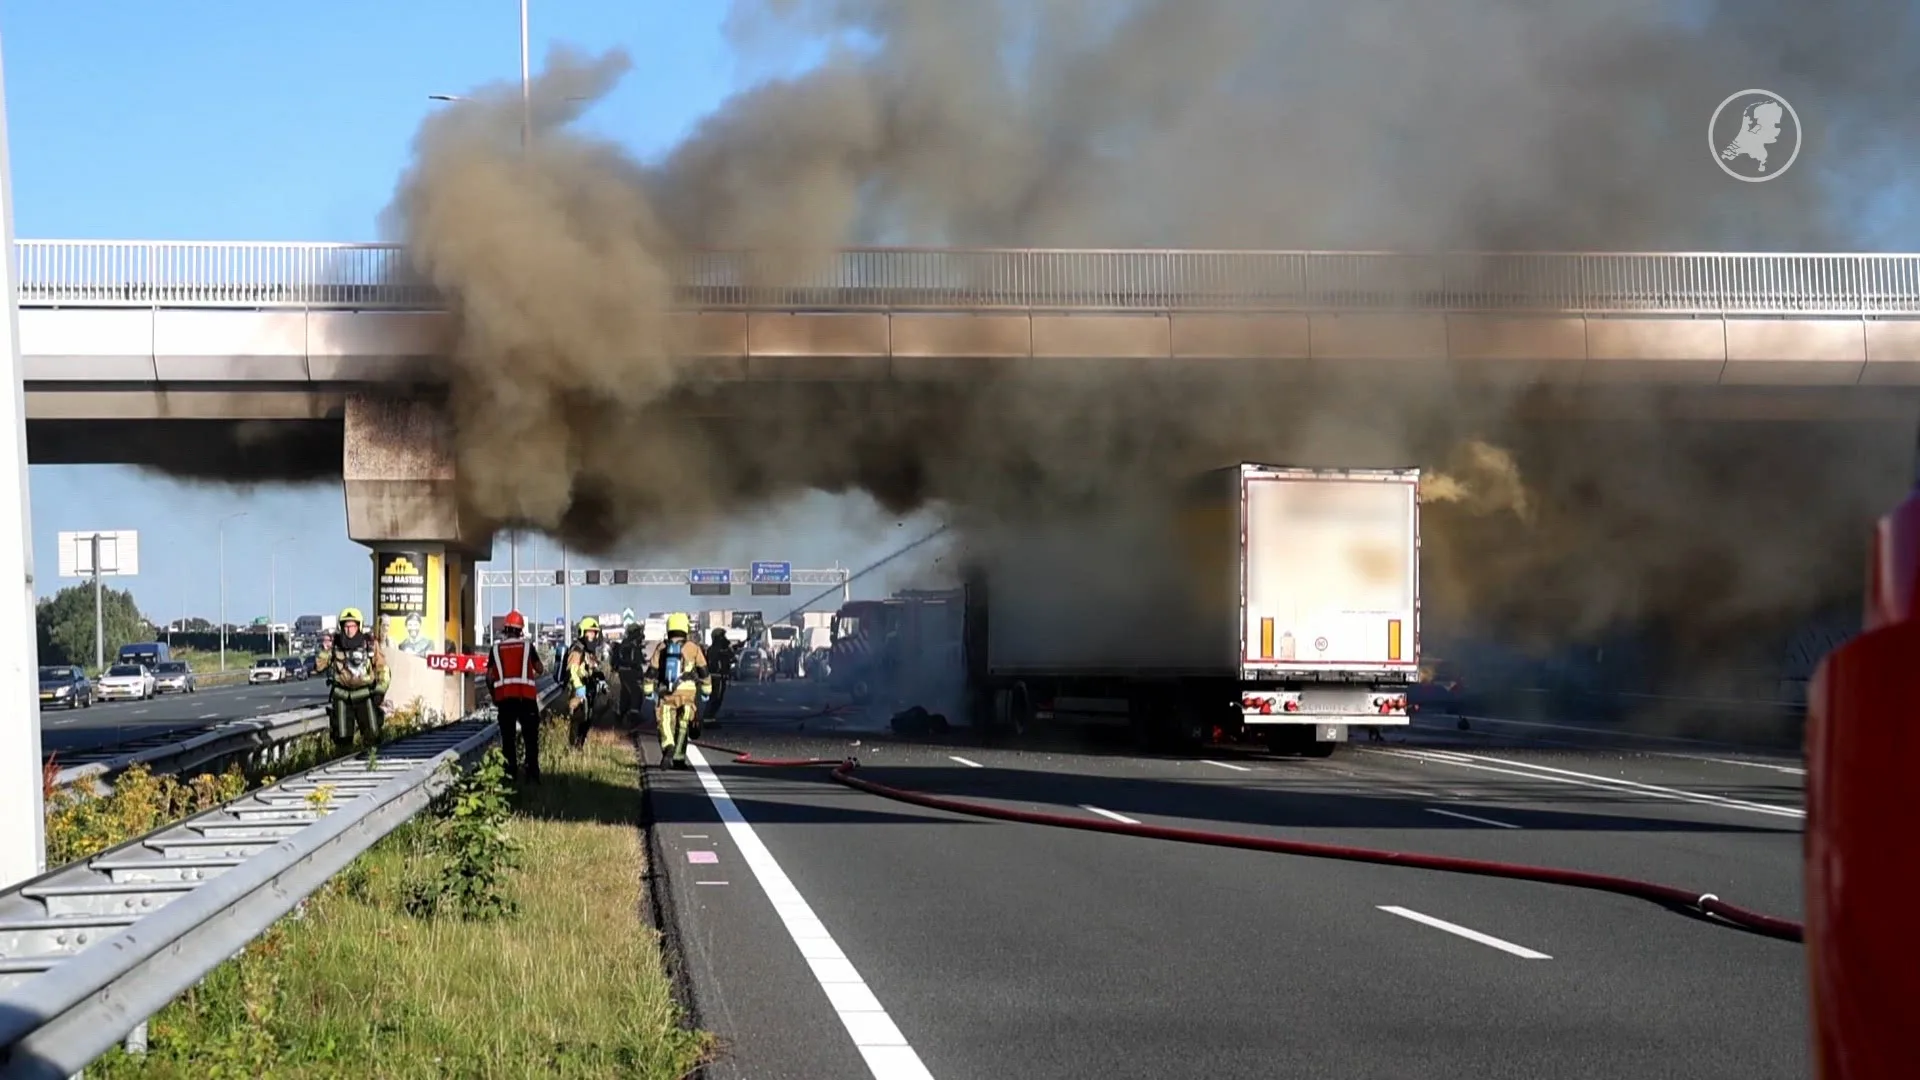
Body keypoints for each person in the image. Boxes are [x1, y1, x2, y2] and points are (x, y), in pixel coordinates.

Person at [314, 606, 389, 750]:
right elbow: (319, 667)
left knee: (372, 735)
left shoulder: (370, 644)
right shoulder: (335, 645)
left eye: (352, 625)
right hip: (342, 697)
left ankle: (372, 763)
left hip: (365, 695)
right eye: (346, 626)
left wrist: (380, 691)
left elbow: (383, 670)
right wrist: (325, 650)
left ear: (358, 626)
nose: (349, 629)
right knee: (342, 739)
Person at [643, 612, 711, 769]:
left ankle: (668, 746)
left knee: (665, 720)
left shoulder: (661, 647)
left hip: (668, 693)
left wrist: (648, 690)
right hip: (688, 693)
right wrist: (706, 691)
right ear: (685, 629)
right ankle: (679, 758)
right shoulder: (693, 648)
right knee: (683, 724)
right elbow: (703, 671)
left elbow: (652, 671)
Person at [486, 609, 546, 783]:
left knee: (508, 739)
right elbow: (540, 669)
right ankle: (532, 775)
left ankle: (510, 775)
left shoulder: (495, 649)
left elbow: (490, 677)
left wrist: (495, 696)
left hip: (505, 701)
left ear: (505, 629)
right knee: (531, 739)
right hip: (526, 699)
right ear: (521, 630)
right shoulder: (527, 646)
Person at [563, 616, 606, 749]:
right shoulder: (577, 649)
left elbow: (592, 668)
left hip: (588, 688)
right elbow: (572, 671)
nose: (592, 635)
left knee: (587, 719)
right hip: (577, 690)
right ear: (582, 632)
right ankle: (573, 747)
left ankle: (580, 745)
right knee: (577, 718)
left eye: (594, 632)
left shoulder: (590, 651)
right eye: (589, 632)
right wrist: (579, 688)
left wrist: (601, 679)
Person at [614, 621, 647, 723]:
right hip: (631, 671)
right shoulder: (632, 643)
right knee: (636, 691)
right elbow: (636, 659)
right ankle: (634, 715)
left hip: (623, 671)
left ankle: (621, 714)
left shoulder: (625, 643)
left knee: (625, 693)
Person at [704, 627, 736, 728]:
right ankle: (708, 719)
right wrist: (729, 650)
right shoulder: (713, 649)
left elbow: (731, 659)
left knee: (719, 699)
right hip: (716, 677)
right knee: (715, 697)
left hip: (721, 677)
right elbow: (720, 656)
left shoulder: (722, 649)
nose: (724, 638)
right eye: (722, 636)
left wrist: (732, 649)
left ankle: (711, 719)